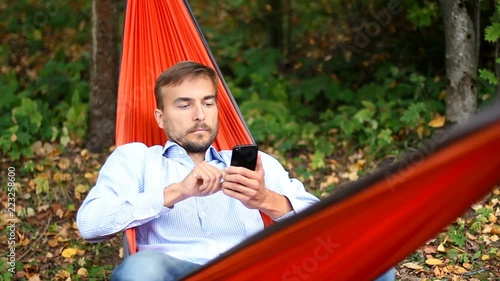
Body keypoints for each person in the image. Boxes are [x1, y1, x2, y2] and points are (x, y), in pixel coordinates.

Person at [76, 61, 395, 281]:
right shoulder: (137, 160)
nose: (200, 115)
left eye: (208, 103)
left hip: (258, 270)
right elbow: (90, 224)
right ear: (160, 117)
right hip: (177, 270)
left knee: (373, 257)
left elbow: (326, 225)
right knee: (140, 269)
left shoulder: (255, 163)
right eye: (184, 105)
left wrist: (267, 199)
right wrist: (178, 191)